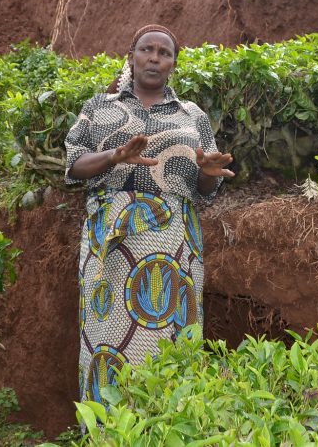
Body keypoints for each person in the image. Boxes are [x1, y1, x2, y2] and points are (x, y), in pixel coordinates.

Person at [65, 24, 234, 407]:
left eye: (164, 52)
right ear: (132, 55)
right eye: (147, 50)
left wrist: (207, 175)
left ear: (174, 63)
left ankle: (169, 427)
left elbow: (207, 188)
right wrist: (113, 156)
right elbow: (73, 165)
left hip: (173, 241)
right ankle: (107, 431)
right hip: (110, 239)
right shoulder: (99, 107)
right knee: (106, 334)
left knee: (171, 337)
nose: (154, 58)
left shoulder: (192, 115)